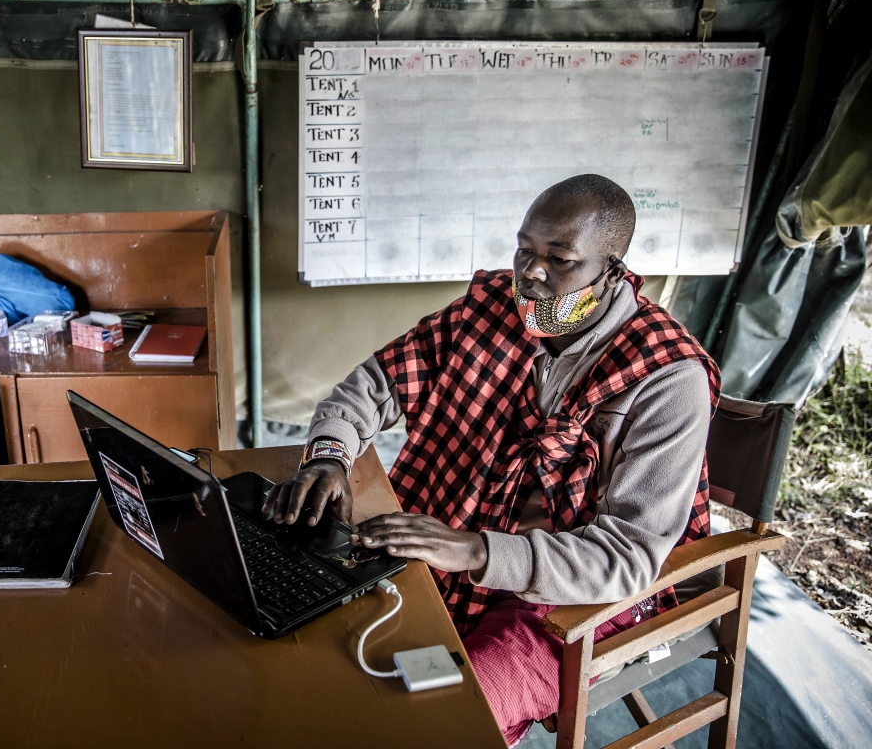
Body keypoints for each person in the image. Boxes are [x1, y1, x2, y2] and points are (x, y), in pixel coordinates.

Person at [264, 174, 719, 746]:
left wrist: (475, 549)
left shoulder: (668, 378)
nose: (531, 274)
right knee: (321, 650)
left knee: (440, 723)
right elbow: (377, 382)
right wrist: (330, 454)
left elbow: (627, 557)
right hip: (461, 543)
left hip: (570, 597)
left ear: (611, 269)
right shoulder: (497, 308)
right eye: (525, 249)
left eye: (561, 260)